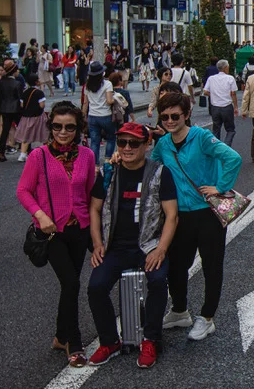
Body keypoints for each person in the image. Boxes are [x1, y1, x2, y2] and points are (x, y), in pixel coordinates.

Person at [150, 92, 242, 341]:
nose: (169, 121)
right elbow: (151, 167)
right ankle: (180, 311)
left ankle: (207, 317)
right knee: (177, 266)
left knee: (212, 265)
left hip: (207, 213)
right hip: (178, 215)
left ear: (187, 115)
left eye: (175, 116)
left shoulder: (201, 137)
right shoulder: (164, 144)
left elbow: (233, 158)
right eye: (165, 116)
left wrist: (220, 187)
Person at [86, 123, 179, 369]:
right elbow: (94, 209)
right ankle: (109, 341)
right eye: (122, 143)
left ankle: (151, 338)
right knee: (95, 287)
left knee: (158, 281)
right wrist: (97, 243)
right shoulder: (108, 172)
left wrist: (161, 249)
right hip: (114, 246)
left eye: (134, 143)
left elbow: (172, 215)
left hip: (148, 245)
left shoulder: (160, 172)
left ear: (147, 145)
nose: (127, 148)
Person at [16, 102, 97, 366]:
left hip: (80, 229)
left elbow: (89, 194)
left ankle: (60, 335)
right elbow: (23, 191)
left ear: (78, 128)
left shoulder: (87, 155)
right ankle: (73, 341)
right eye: (57, 126)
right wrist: (40, 215)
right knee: (72, 283)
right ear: (50, 127)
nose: (63, 132)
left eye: (69, 127)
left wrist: (95, 233)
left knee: (70, 284)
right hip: (52, 232)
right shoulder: (38, 157)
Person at [0, 61, 25, 162]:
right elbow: (20, 97)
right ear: (14, 72)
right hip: (16, 109)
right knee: (22, 129)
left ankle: (1, 152)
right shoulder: (17, 83)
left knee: (5, 130)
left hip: (4, 108)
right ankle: (25, 150)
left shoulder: (1, 83)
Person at [82, 61, 116, 161]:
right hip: (105, 115)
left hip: (92, 116)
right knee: (111, 138)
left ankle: (95, 164)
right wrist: (115, 98)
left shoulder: (87, 85)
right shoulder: (107, 84)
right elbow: (109, 101)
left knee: (94, 141)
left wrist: (83, 115)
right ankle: (107, 160)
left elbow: (85, 103)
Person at [203, 60, 239, 147]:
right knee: (230, 130)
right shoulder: (230, 78)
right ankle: (226, 146)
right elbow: (233, 93)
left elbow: (205, 91)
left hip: (215, 107)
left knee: (216, 129)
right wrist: (236, 107)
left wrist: (214, 94)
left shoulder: (211, 78)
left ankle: (216, 147)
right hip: (226, 106)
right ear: (226, 68)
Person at [14, 73, 50, 162]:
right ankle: (48, 153)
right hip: (38, 116)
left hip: (26, 117)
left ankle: (22, 154)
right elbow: (42, 105)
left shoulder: (25, 92)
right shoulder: (39, 93)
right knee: (44, 134)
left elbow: (22, 105)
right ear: (37, 82)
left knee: (26, 136)